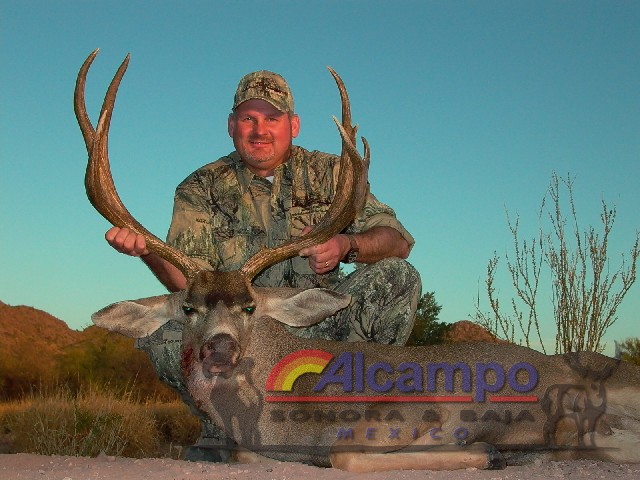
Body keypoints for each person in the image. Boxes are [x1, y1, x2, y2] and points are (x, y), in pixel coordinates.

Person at [105, 70, 422, 460]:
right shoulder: (200, 187)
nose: (260, 130)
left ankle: (351, 420)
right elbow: (191, 287)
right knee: (166, 336)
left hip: (316, 324)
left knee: (396, 278)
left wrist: (347, 245)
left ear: (293, 125)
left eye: (272, 118)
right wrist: (147, 251)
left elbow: (397, 241)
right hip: (242, 333)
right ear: (231, 126)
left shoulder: (332, 174)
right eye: (248, 118)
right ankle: (226, 429)